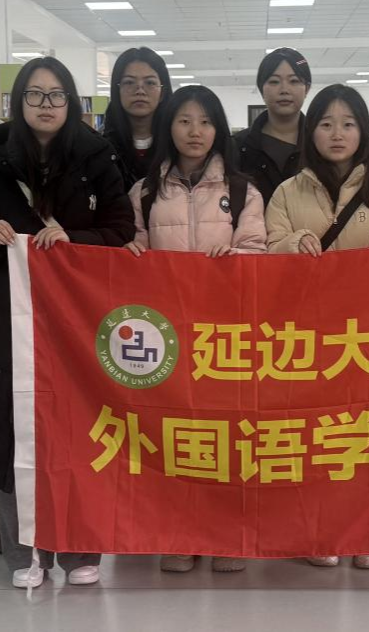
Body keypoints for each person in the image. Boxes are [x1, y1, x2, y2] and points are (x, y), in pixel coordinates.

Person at [0, 57, 135, 589]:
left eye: (56, 95)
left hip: (80, 322)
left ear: (71, 102)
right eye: (34, 94)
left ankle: (79, 549)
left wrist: (77, 242)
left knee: (81, 430)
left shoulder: (97, 161)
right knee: (15, 435)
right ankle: (26, 552)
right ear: (17, 103)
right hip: (9, 322)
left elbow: (121, 230)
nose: (45, 105)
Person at [125, 84, 267, 574]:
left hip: (224, 334)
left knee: (227, 435)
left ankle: (227, 536)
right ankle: (180, 534)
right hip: (165, 333)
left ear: (218, 129)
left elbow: (260, 251)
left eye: (205, 121)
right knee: (175, 435)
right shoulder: (145, 191)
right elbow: (130, 249)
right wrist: (132, 253)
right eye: (184, 120)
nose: (195, 131)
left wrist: (237, 257)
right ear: (168, 127)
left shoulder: (243, 190)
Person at [265, 83, 369, 571]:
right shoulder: (287, 191)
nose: (337, 133)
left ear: (364, 131)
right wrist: (291, 245)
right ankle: (320, 529)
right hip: (308, 336)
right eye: (326, 124)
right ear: (311, 131)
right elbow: (266, 250)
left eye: (348, 124)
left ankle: (368, 531)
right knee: (315, 434)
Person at [235, 48, 312, 206]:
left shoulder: (319, 143)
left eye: (294, 81)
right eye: (274, 81)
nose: (284, 90)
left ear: (307, 88)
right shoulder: (238, 146)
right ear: (261, 89)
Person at [102, 47, 172, 190]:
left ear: (163, 93)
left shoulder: (176, 145)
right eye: (129, 82)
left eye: (150, 83)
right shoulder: (101, 147)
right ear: (117, 90)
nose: (140, 91)